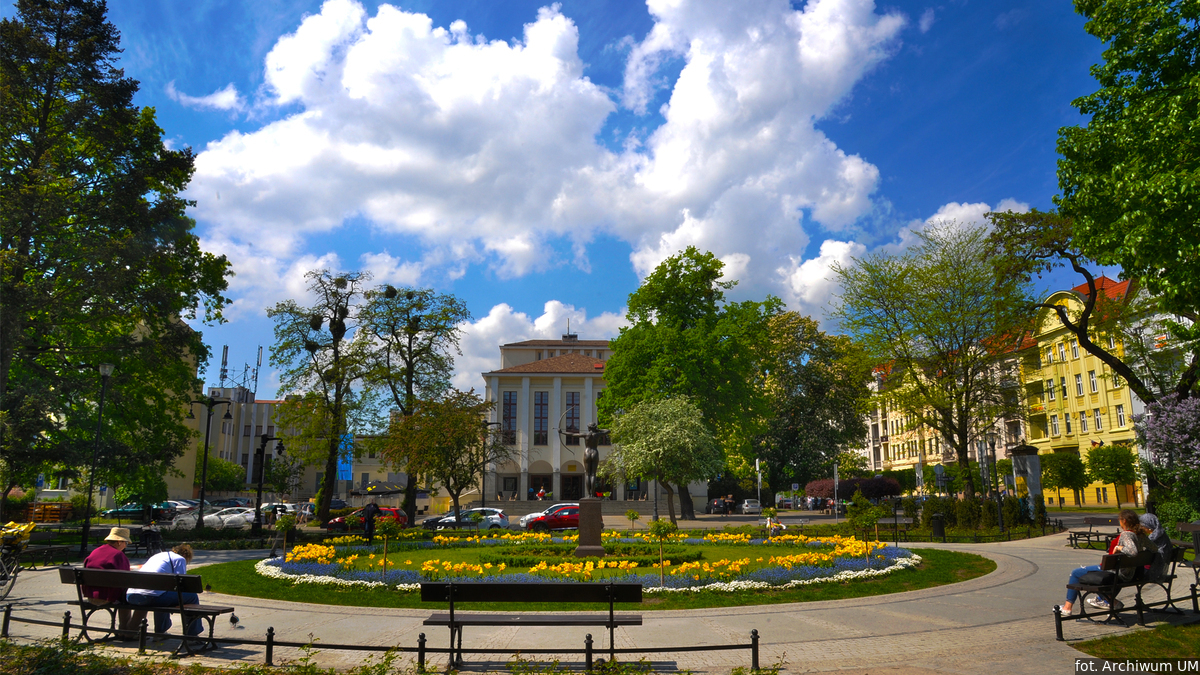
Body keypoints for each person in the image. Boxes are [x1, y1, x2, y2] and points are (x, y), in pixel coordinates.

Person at [1058, 509, 1154, 615]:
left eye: (1120, 520)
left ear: (1124, 521)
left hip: (1117, 572)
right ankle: (1111, 601)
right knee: (1097, 576)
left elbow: (1133, 551)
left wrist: (1119, 547)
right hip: (1131, 574)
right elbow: (1154, 548)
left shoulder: (1127, 535)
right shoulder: (1141, 535)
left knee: (1075, 573)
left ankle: (1067, 608)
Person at [125, 544, 204, 637]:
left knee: (162, 595)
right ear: (185, 555)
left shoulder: (157, 556)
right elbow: (182, 583)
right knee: (192, 597)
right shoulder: (180, 559)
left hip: (131, 595)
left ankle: (161, 632)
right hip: (150, 597)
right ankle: (192, 634)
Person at [82, 527, 145, 636]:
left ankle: (124, 631)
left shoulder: (95, 552)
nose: (126, 546)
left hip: (91, 595)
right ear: (119, 542)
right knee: (137, 599)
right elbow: (127, 579)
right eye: (125, 543)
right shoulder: (118, 555)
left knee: (123, 596)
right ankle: (129, 632)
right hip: (107, 597)